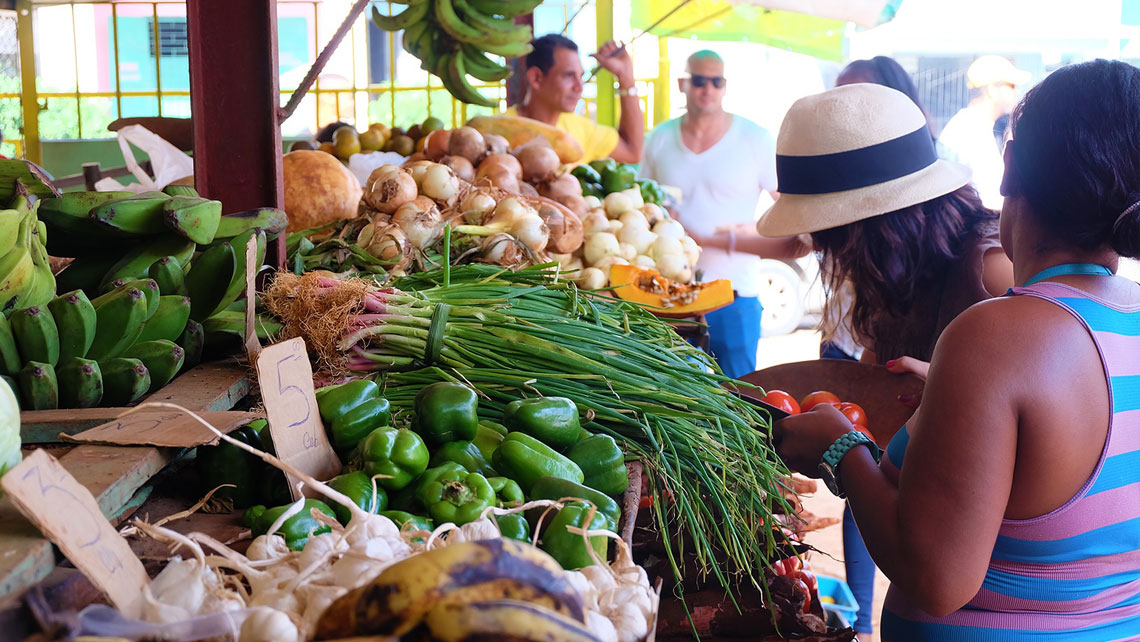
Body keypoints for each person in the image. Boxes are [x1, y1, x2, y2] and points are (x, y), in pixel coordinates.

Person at [774, 59, 1140, 639]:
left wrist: (840, 448)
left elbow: (937, 579)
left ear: (1010, 165)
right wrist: (961, 403)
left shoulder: (994, 334)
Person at [826, 54, 938, 641]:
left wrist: (844, 449)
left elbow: (938, 579)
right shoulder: (893, 275)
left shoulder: (985, 275)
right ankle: (860, 619)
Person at [639, 49, 805, 379]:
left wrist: (745, 233)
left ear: (725, 86)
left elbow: (792, 208)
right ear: (683, 84)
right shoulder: (659, 138)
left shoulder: (754, 138)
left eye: (717, 82)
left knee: (739, 392)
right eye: (700, 81)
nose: (708, 89)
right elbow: (642, 205)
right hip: (668, 294)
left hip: (735, 293)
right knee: (671, 393)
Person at [508, 34, 643, 164]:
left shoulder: (582, 130)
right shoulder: (500, 131)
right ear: (536, 78)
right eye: (569, 75)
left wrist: (626, 77)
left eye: (581, 76)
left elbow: (632, 152)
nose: (580, 87)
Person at [939, 55, 1030, 210]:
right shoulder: (972, 130)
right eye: (1011, 85)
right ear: (992, 89)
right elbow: (990, 199)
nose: (1016, 92)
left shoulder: (973, 124)